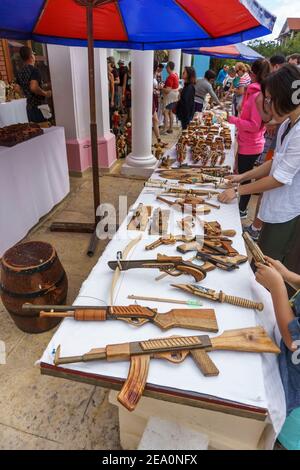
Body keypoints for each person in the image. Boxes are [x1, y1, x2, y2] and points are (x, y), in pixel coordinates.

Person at [218, 64, 300, 282]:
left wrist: (238, 189)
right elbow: (274, 163)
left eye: (271, 99)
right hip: (275, 207)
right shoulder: (286, 124)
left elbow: (279, 179)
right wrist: (242, 176)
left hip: (287, 213)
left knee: (269, 270)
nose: (268, 105)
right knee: (263, 263)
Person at [255, 259, 300, 450]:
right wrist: (287, 274)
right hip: (284, 361)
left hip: (293, 401)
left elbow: (294, 341)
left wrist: (277, 287)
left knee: (277, 433)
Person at [226, 58, 271, 218]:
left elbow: (253, 125)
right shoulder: (254, 92)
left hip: (252, 144)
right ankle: (241, 207)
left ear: (255, 74)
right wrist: (241, 109)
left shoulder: (257, 94)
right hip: (248, 141)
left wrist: (234, 120)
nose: (248, 74)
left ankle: (242, 210)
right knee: (243, 175)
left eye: (251, 71)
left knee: (245, 178)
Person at [16, 46, 51, 123]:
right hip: (39, 106)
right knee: (44, 129)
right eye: (33, 54)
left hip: (29, 107)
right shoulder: (34, 70)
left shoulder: (19, 72)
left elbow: (17, 88)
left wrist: (27, 95)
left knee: (34, 130)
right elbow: (33, 87)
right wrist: (45, 93)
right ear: (31, 56)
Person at [161, 61, 179, 134]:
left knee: (165, 112)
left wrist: (161, 88)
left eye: (166, 67)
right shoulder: (175, 75)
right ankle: (170, 128)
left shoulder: (170, 76)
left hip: (170, 97)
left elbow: (167, 90)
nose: (165, 69)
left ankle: (165, 129)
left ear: (168, 67)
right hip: (174, 96)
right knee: (170, 112)